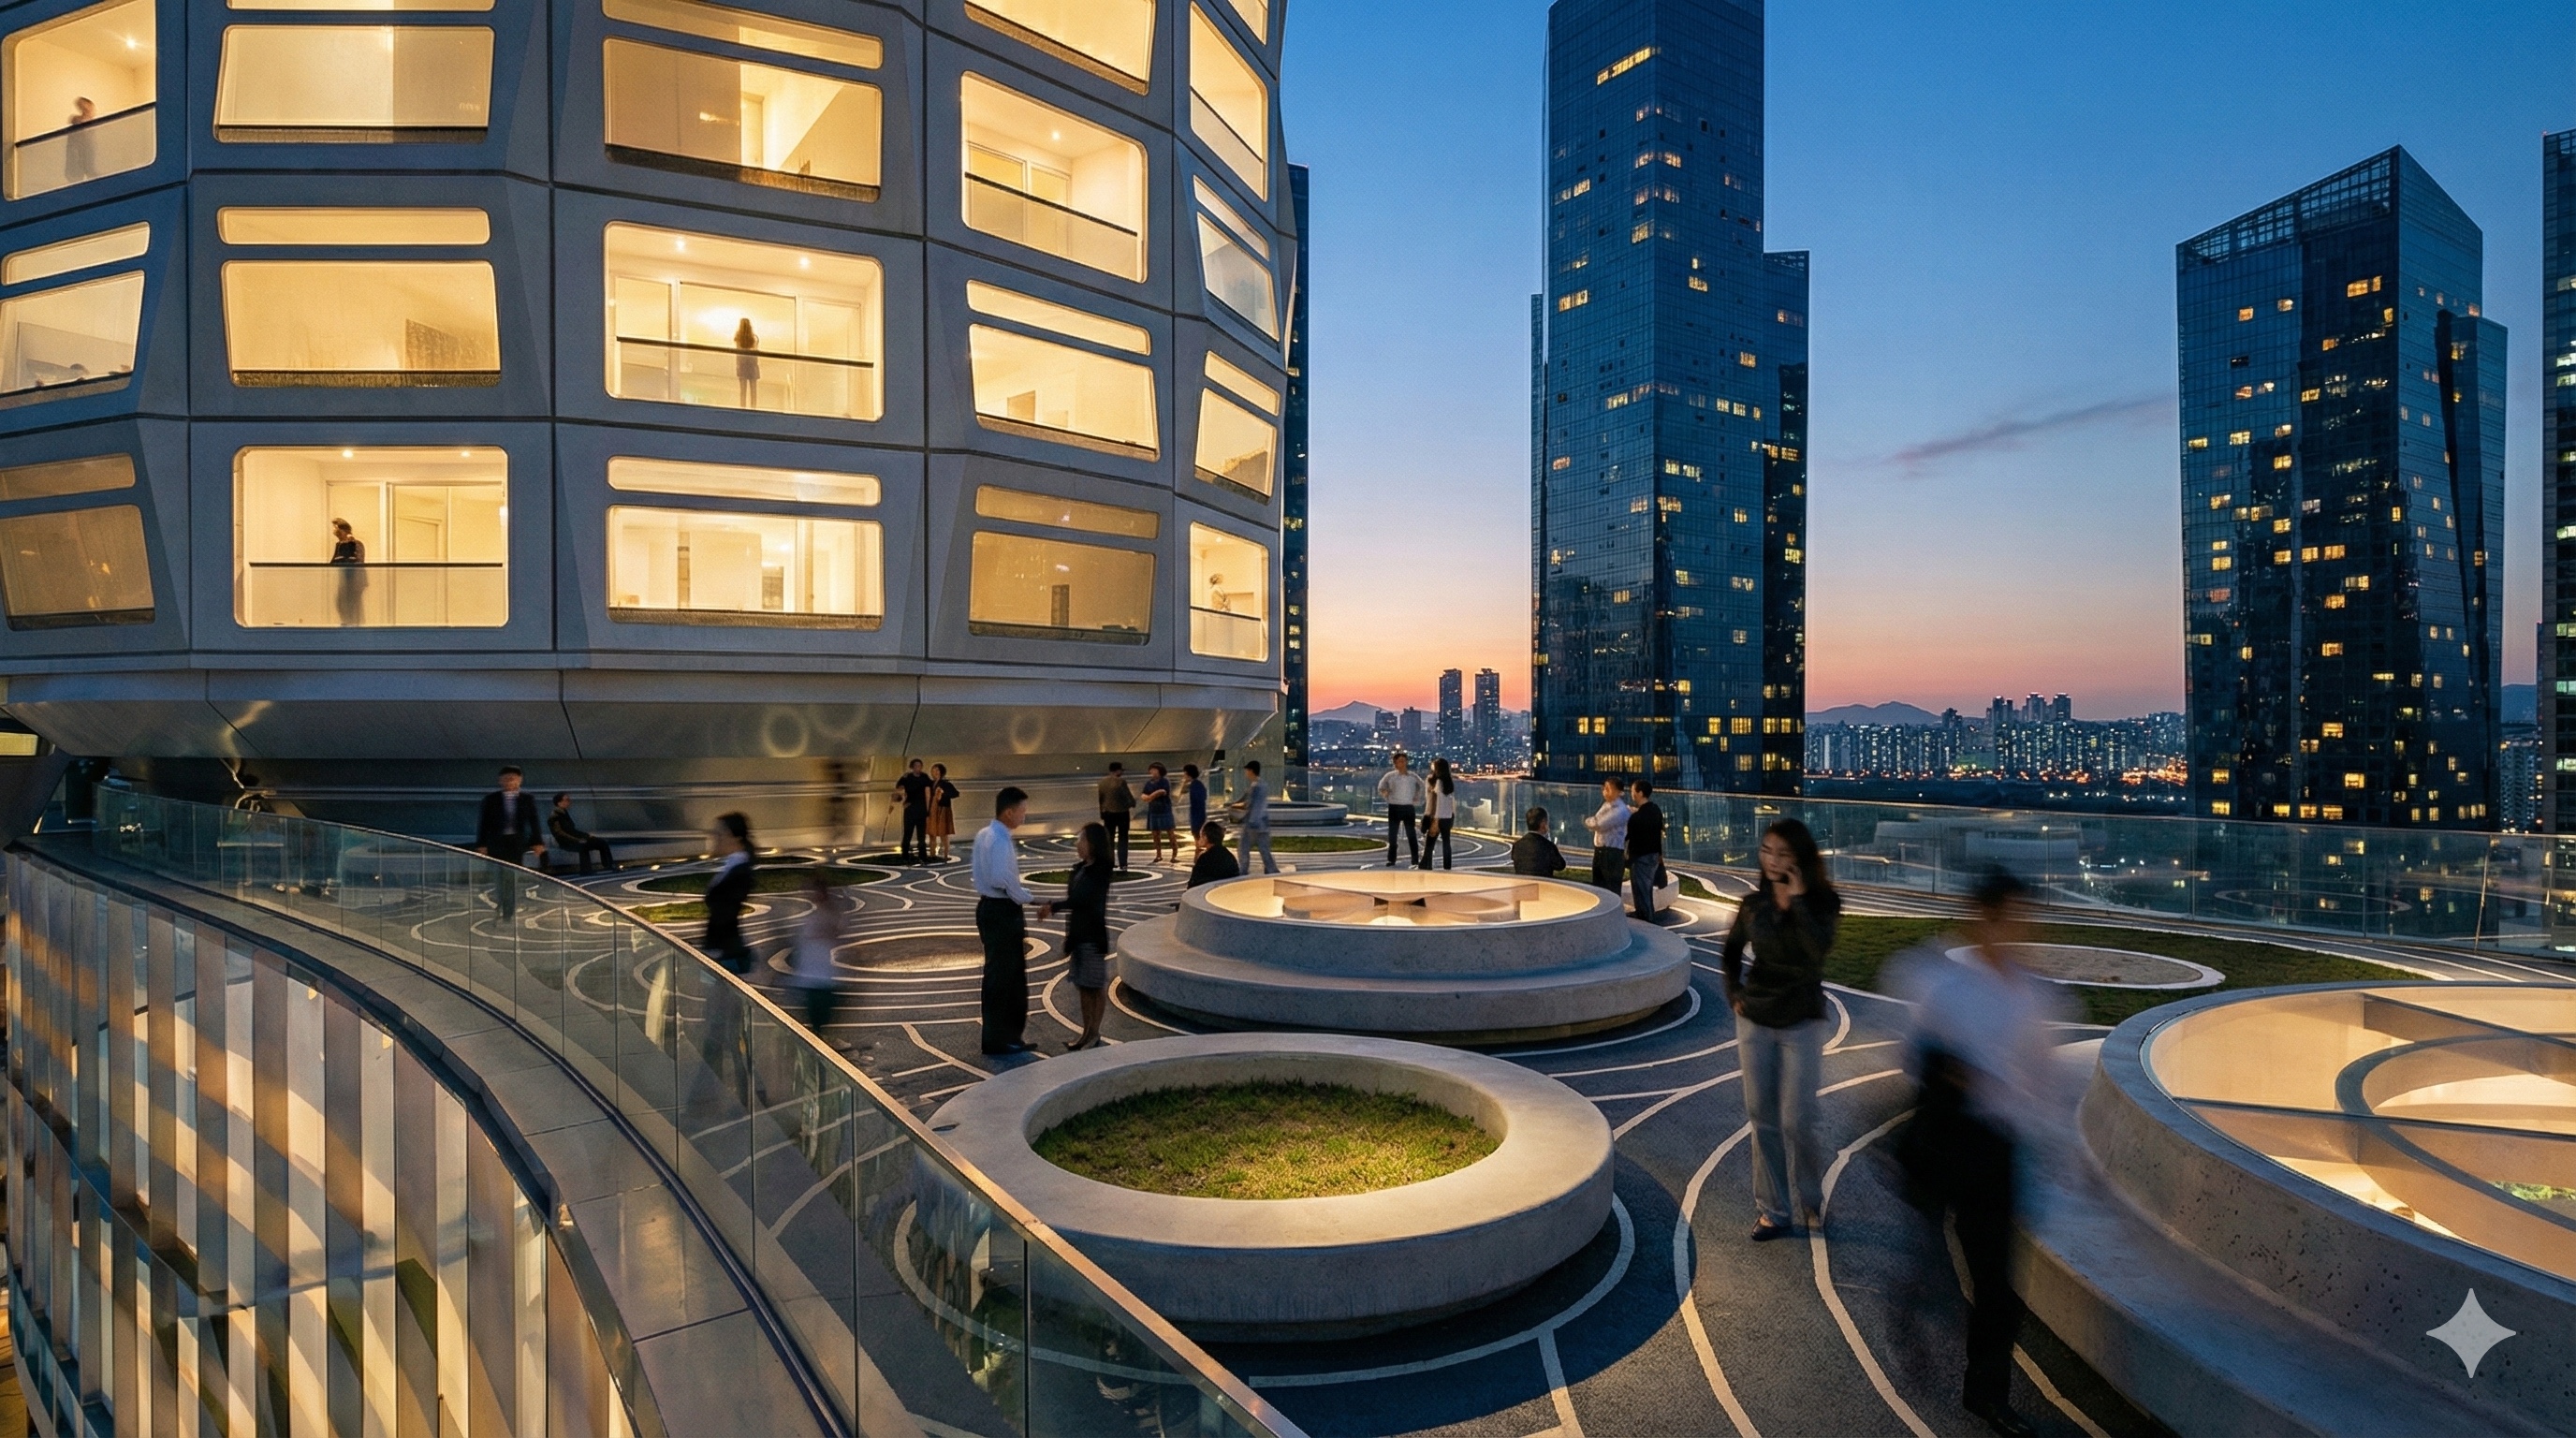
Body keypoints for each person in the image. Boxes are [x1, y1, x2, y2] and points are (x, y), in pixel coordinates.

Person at [1886, 870, 2071, 1438]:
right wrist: (1953, 1073)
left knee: (1997, 1287)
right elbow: (1913, 1055)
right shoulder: (1945, 987)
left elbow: (2044, 1083)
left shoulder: (2037, 996)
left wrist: (2060, 1156)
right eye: (2011, 917)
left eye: (2026, 917)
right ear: (1984, 919)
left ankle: (1985, 1395)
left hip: (1997, 1150)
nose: (2022, 929)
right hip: (1946, 1139)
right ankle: (1915, 1299)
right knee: (1934, 1256)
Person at [1722, 818, 1841, 1241]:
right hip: (1755, 1017)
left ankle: (1810, 1195)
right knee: (1762, 1117)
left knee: (1797, 1120)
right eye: (1767, 851)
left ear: (1801, 858)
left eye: (1784, 854)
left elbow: (1816, 953)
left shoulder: (1824, 902)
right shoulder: (1753, 904)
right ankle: (1773, 1210)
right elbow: (1732, 950)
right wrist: (1734, 990)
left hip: (1802, 1019)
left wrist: (1799, 900)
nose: (1773, 861)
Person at [972, 786, 1045, 1055]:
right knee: (1007, 978)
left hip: (988, 909)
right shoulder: (1000, 840)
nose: (1024, 817)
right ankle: (1004, 1038)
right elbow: (1000, 880)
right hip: (1003, 912)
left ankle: (996, 1036)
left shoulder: (983, 835)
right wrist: (1028, 898)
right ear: (1009, 811)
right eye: (1023, 811)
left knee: (996, 976)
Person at [1061, 822, 1115, 1050]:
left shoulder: (1101, 871)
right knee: (1083, 985)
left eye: (1081, 840)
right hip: (1079, 934)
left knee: (1095, 985)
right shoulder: (1079, 869)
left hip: (1092, 935)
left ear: (1092, 844)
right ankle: (1086, 1033)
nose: (1077, 844)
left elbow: (1082, 900)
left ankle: (1094, 1032)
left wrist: (1052, 906)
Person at [474, 766, 546, 919]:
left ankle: (509, 910)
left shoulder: (527, 799)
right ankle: (503, 903)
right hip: (496, 843)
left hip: (516, 843)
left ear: (520, 780)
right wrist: (481, 844)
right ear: (500, 781)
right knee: (499, 875)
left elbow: (534, 822)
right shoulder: (491, 799)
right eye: (506, 779)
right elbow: (483, 823)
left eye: (512, 779)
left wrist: (537, 842)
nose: (509, 782)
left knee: (511, 876)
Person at [787, 870, 842, 1034]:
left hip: (818, 980)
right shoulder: (819, 915)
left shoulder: (826, 915)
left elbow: (832, 930)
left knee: (816, 1026)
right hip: (812, 979)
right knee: (815, 1026)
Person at [1626, 779, 1666, 922]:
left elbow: (1629, 836)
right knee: (1646, 888)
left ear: (1640, 793)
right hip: (1654, 855)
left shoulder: (1636, 818)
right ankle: (1645, 914)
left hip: (1640, 857)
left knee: (1641, 889)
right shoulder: (1656, 811)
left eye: (1633, 791)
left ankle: (1646, 918)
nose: (1632, 795)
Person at [1376, 751, 1426, 867]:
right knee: (1392, 835)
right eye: (1400, 761)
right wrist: (1385, 794)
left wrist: (1417, 796)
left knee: (1411, 835)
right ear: (1395, 763)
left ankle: (1415, 860)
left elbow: (1422, 785)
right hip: (1394, 807)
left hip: (1408, 807)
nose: (1402, 763)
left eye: (1404, 761)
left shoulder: (1413, 776)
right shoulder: (1390, 776)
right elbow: (1381, 787)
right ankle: (1391, 859)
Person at [549, 793, 617, 874]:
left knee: (602, 842)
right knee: (583, 846)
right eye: (566, 800)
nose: (569, 802)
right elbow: (559, 834)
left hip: (574, 840)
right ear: (559, 803)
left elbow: (573, 830)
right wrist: (577, 840)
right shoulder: (554, 817)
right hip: (566, 842)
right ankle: (586, 870)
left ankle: (608, 865)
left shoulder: (564, 814)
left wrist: (587, 836)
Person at [1228, 761, 1277, 874]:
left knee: (1243, 848)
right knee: (1264, 850)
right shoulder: (1263, 784)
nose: (1246, 773)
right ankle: (1271, 870)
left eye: (1247, 770)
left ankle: (1243, 871)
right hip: (1262, 822)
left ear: (1251, 771)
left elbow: (1248, 804)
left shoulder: (1255, 787)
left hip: (1252, 822)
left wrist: (1233, 806)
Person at [1583, 779, 1630, 894]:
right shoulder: (1606, 805)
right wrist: (1592, 822)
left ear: (1619, 792)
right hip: (1601, 851)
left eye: (1608, 788)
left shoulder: (1620, 810)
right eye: (1604, 788)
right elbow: (1596, 822)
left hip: (1612, 853)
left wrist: (1588, 821)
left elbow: (1598, 824)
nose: (1604, 791)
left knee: (1611, 889)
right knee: (1598, 887)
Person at [1095, 761, 1134, 873]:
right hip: (1122, 813)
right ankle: (1123, 863)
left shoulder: (1102, 782)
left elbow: (1101, 799)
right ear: (1117, 770)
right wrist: (1132, 803)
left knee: (1109, 839)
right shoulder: (1121, 782)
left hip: (1108, 814)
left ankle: (1110, 862)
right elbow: (1127, 797)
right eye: (1121, 770)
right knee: (1123, 838)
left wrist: (1102, 813)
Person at [892, 759, 934, 863]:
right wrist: (902, 799)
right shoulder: (907, 777)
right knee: (908, 833)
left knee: (921, 835)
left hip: (921, 809)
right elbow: (898, 788)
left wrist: (928, 809)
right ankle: (905, 854)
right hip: (910, 809)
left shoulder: (924, 777)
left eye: (920, 765)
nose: (918, 768)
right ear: (912, 767)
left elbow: (928, 792)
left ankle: (923, 856)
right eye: (916, 766)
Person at [1419, 757, 1458, 870]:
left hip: (1436, 815)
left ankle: (1426, 865)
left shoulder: (1437, 782)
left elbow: (1437, 801)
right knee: (1446, 842)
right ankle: (1447, 867)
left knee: (1430, 843)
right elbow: (1450, 802)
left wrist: (1435, 820)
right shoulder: (1449, 782)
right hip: (1448, 816)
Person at [329, 519, 366, 626]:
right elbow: (335, 561)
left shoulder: (356, 543)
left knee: (352, 603)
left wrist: (349, 544)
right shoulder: (340, 544)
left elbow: (357, 560)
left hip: (354, 579)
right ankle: (347, 623)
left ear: (342, 530)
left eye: (335, 528)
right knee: (341, 602)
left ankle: (353, 624)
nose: (334, 531)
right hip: (345, 578)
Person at [1510, 808, 1565, 877]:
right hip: (1544, 886)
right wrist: (1548, 840)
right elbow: (1561, 865)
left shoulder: (1517, 845)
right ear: (1543, 824)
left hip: (1522, 885)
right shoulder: (1548, 846)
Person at [1139, 762, 1177, 864]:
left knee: (1170, 833)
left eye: (1154, 770)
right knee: (1155, 834)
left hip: (1164, 810)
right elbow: (1143, 794)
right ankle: (1158, 854)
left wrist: (1150, 797)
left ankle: (1174, 854)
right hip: (1153, 811)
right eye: (1151, 770)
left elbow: (1163, 791)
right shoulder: (1149, 783)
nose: (1152, 772)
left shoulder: (1165, 781)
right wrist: (1145, 797)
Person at [1187, 820, 1241, 888]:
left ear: (1205, 837)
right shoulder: (1230, 857)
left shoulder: (1204, 859)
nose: (1199, 840)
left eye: (1200, 836)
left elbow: (1193, 884)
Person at [927, 763, 959, 861]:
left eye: (937, 770)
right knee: (931, 833)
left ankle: (945, 855)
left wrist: (943, 793)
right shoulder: (930, 784)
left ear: (941, 772)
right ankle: (932, 855)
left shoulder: (946, 784)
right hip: (932, 810)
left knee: (943, 833)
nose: (935, 772)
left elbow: (955, 793)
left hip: (943, 809)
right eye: (933, 770)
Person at [63, 97, 96, 184]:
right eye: (82, 108)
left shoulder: (96, 125)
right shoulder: (76, 120)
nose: (85, 110)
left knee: (92, 173)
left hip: (90, 155)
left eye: (87, 108)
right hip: (76, 154)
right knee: (76, 176)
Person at [733, 317, 761, 408]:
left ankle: (743, 408)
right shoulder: (754, 338)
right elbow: (756, 354)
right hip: (752, 366)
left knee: (743, 390)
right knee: (753, 390)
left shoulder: (738, 339)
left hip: (742, 366)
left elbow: (738, 354)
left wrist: (737, 366)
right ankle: (754, 408)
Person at [1182, 764, 1208, 841]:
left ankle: (1198, 848)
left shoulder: (1195, 785)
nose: (1183, 776)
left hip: (1197, 812)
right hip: (1198, 811)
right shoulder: (1196, 784)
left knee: (1197, 832)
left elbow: (1178, 794)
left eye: (1184, 774)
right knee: (1197, 831)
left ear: (1188, 774)